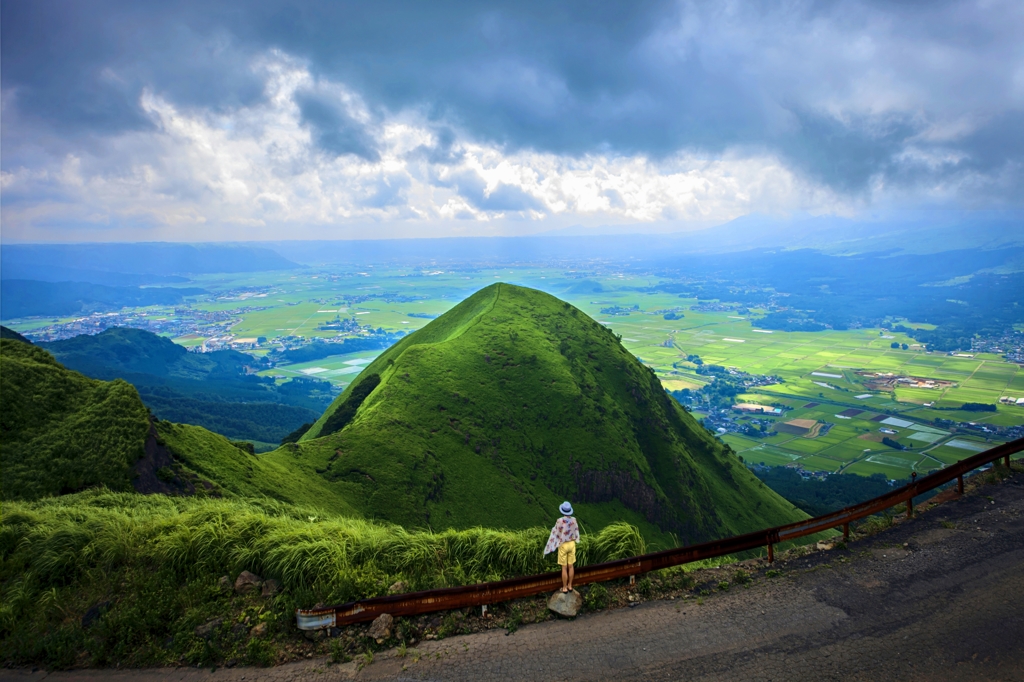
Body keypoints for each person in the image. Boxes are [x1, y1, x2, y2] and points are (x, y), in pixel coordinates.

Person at [544, 501, 580, 593]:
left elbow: (556, 533)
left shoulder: (559, 521)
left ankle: (564, 588)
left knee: (564, 567)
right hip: (572, 544)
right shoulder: (574, 520)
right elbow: (576, 532)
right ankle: (570, 586)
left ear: (562, 511)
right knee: (571, 566)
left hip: (563, 545)